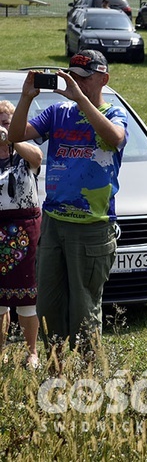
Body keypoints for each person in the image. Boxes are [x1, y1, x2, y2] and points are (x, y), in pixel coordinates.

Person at [9, 50, 127, 363]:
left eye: (84, 79)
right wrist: (26, 98)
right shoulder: (58, 112)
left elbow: (114, 138)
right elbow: (16, 135)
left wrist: (82, 100)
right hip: (55, 223)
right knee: (48, 305)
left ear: (103, 79)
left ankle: (87, 382)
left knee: (84, 310)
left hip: (92, 227)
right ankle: (55, 375)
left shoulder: (113, 113)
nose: (76, 83)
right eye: (72, 77)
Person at [0, 101, 43, 368]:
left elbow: (37, 159)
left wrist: (11, 139)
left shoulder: (26, 152)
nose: (1, 128)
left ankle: (32, 352)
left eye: (6, 122)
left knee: (27, 297)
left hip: (25, 232)